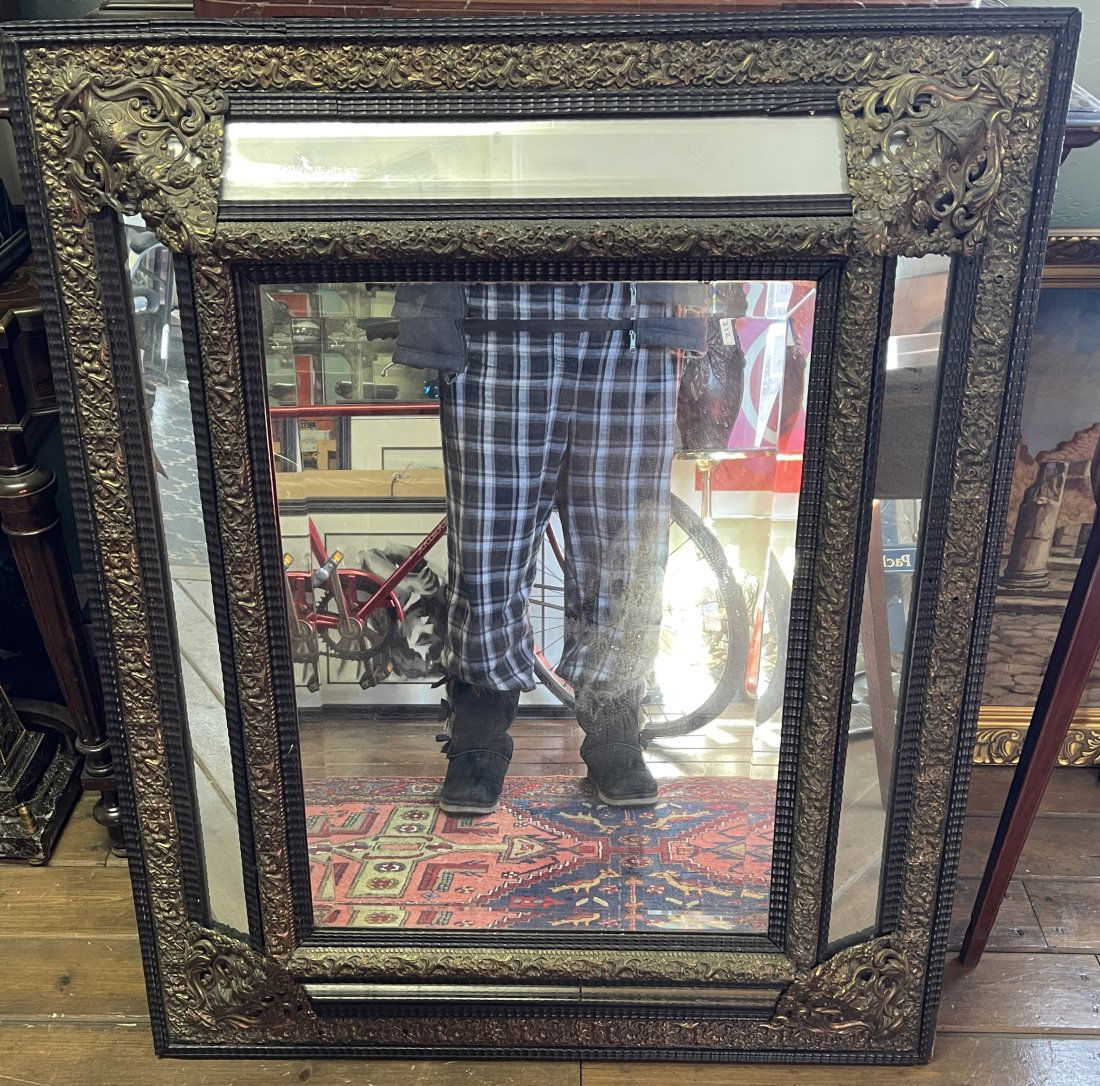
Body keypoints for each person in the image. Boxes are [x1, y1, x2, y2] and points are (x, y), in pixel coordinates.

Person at [390, 281, 707, 815]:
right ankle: (479, 732)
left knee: (624, 545)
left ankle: (615, 724)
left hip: (629, 318)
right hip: (494, 312)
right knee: (487, 545)